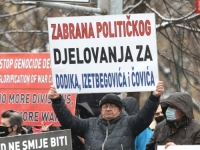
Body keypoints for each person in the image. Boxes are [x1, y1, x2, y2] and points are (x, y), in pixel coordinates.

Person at [48, 81, 164, 150]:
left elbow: (145, 116)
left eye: (112, 106)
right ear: (101, 109)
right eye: (105, 106)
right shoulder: (89, 124)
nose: (108, 109)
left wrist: (154, 97)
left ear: (119, 109)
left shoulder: (129, 124)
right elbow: (68, 121)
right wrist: (57, 100)